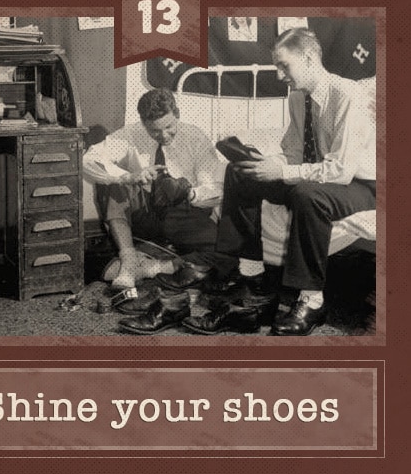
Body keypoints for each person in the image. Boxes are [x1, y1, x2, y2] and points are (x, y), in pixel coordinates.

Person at [161, 27, 376, 336]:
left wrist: (285, 173)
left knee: (306, 194)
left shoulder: (347, 96)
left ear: (310, 58)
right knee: (240, 172)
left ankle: (312, 301)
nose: (279, 75)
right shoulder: (297, 96)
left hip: (363, 185)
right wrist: (268, 162)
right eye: (276, 66)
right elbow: (292, 150)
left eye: (284, 65)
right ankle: (252, 276)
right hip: (320, 177)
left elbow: (341, 171)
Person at [83, 88, 224, 291]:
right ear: (143, 123)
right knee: (112, 180)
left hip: (181, 212)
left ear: (177, 114)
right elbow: (89, 160)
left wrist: (189, 193)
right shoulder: (131, 133)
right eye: (154, 131)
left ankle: (152, 268)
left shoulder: (196, 137)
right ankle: (129, 258)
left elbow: (215, 189)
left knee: (223, 251)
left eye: (168, 127)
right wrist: (128, 176)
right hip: (144, 214)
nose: (163, 135)